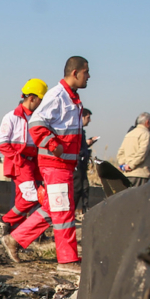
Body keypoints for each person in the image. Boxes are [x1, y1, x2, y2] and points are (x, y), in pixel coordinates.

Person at [16, 55, 91, 274]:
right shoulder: (58, 95)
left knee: (53, 208)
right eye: (86, 72)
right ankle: (67, 261)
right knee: (63, 212)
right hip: (55, 164)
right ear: (75, 73)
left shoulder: (72, 98)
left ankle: (15, 239)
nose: (89, 76)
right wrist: (53, 144)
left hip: (63, 165)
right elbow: (37, 123)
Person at [0, 77, 48, 254]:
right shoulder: (11, 117)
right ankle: (5, 221)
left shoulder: (39, 118)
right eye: (41, 99)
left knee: (26, 200)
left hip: (34, 163)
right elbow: (2, 143)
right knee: (31, 197)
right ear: (32, 97)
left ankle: (14, 237)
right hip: (21, 163)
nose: (41, 103)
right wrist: (18, 160)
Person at [116, 113, 150, 186]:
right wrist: (131, 165)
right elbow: (142, 153)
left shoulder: (129, 134)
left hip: (128, 174)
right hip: (141, 173)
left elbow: (120, 152)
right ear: (147, 122)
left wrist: (123, 165)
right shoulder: (145, 134)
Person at [74, 108, 97, 210]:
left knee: (85, 187)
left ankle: (85, 209)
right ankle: (71, 211)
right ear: (82, 117)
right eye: (88, 117)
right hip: (77, 164)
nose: (90, 120)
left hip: (82, 163)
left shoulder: (80, 131)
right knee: (77, 188)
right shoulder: (76, 130)